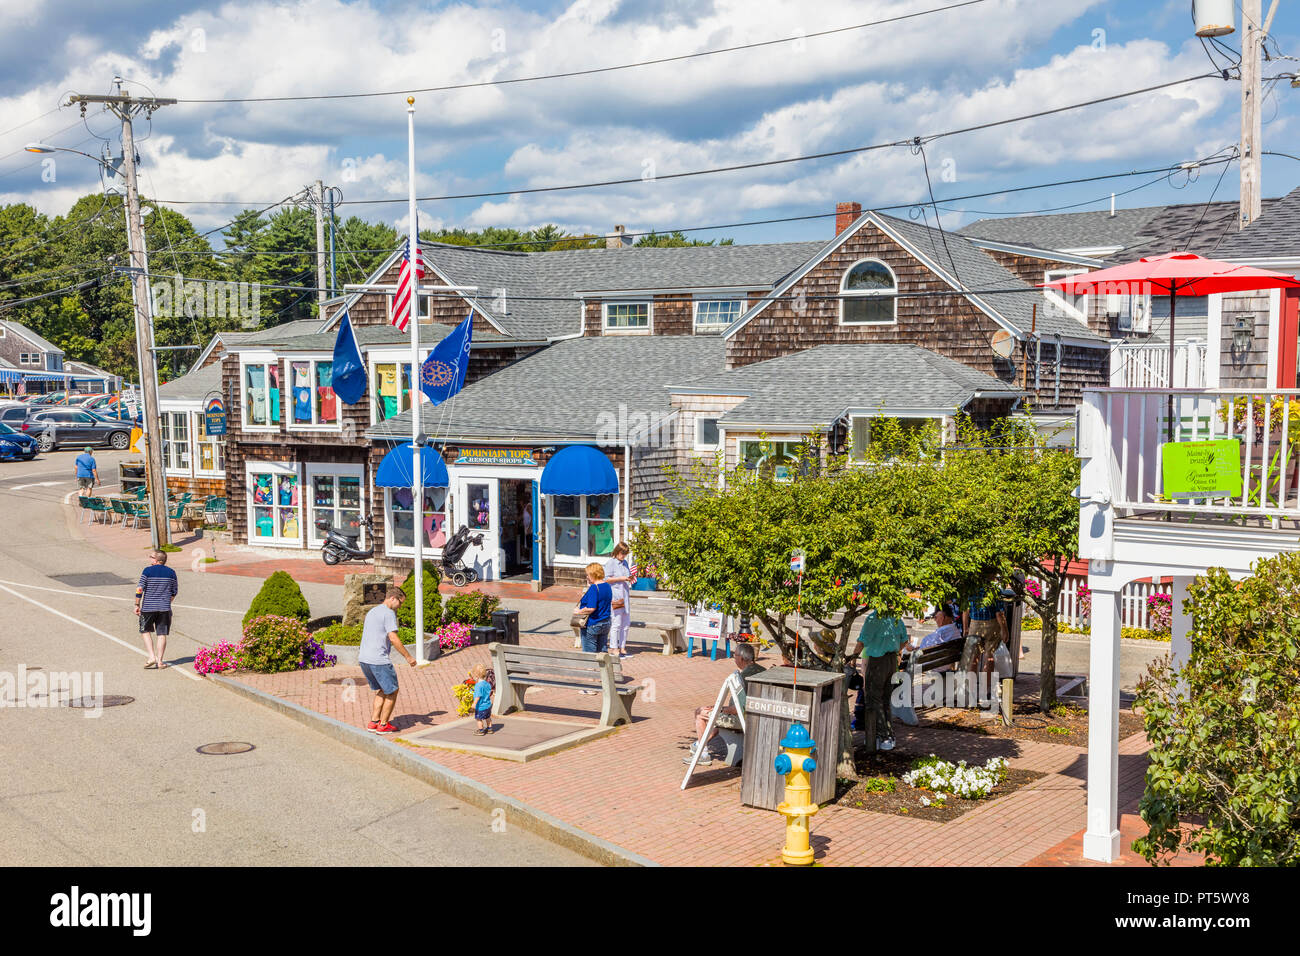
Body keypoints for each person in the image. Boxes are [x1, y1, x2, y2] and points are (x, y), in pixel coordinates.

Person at [687, 642, 765, 766]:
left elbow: (738, 709)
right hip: (760, 716)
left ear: (741, 658)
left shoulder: (742, 677)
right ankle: (699, 744)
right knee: (717, 719)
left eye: (735, 656)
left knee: (700, 712)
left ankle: (703, 754)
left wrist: (720, 709)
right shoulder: (761, 670)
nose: (734, 659)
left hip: (743, 719)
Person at [359, 586, 417, 734]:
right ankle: (383, 725)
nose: (400, 606)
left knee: (382, 689)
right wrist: (408, 657)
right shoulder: (388, 613)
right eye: (400, 602)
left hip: (364, 658)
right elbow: (393, 637)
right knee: (392, 691)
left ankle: (374, 722)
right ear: (393, 598)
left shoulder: (373, 611)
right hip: (379, 659)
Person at [848, 609, 908, 751]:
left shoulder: (873, 618)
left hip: (877, 661)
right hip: (891, 660)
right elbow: (904, 641)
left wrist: (852, 657)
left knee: (873, 700)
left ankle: (882, 736)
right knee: (885, 699)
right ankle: (887, 736)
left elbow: (862, 642)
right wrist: (896, 653)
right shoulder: (895, 617)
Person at [962, 586, 1009, 700]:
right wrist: (1004, 629)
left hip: (974, 625)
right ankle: (984, 691)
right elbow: (999, 614)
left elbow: (965, 610)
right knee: (989, 655)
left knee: (974, 657)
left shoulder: (971, 589)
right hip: (991, 625)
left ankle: (971, 691)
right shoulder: (994, 590)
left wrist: (965, 627)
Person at [135, 550, 178, 669]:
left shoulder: (147, 571)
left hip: (148, 607)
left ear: (156, 560)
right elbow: (174, 591)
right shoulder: (171, 572)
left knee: (145, 631)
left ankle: (151, 656)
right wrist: (167, 602)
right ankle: (160, 661)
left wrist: (137, 604)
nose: (150, 559)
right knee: (162, 634)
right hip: (164, 608)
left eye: (151, 557)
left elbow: (140, 588)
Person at [604, 542, 635, 660]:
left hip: (625, 596)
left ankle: (622, 646)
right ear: (617, 552)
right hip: (616, 597)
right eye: (622, 553)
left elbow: (628, 575)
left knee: (626, 623)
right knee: (616, 623)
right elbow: (606, 579)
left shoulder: (625, 563)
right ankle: (613, 647)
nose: (623, 556)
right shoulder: (611, 563)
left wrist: (630, 578)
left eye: (625, 554)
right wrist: (620, 579)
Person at [470, 663, 493, 736]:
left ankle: (481, 730)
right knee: (488, 717)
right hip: (488, 705)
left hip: (480, 706)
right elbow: (489, 692)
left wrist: (474, 704)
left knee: (479, 719)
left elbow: (478, 696)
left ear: (476, 675)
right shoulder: (487, 683)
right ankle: (490, 729)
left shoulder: (478, 685)